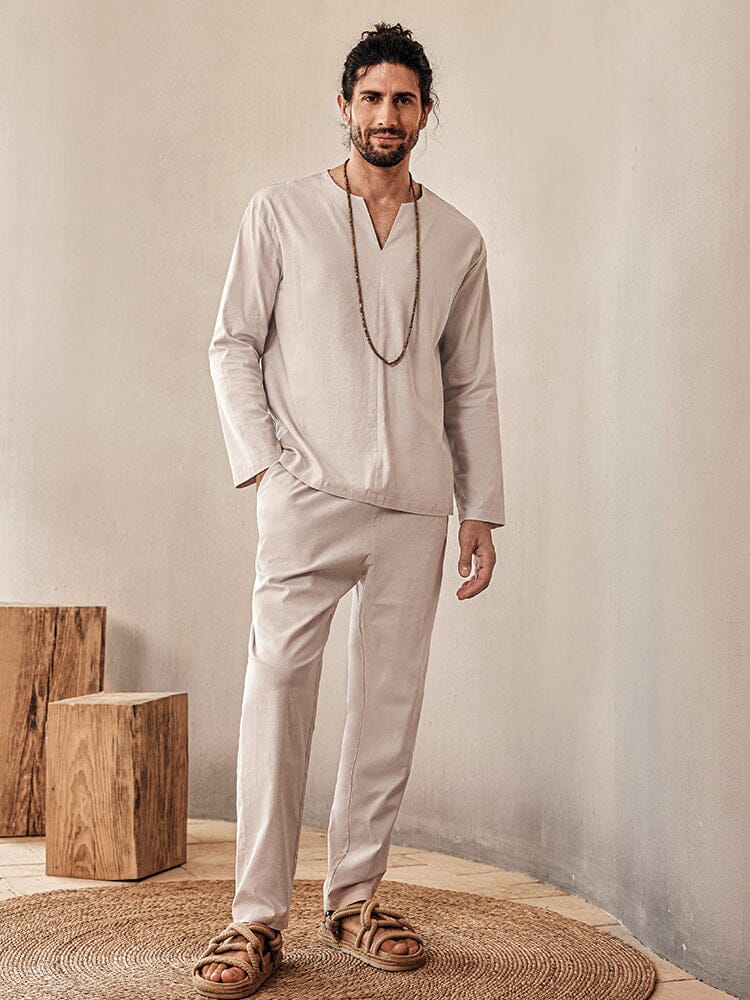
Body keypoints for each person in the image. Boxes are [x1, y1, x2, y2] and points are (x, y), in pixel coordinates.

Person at [194, 21, 505, 998]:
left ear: (426, 112)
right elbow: (232, 342)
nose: (386, 114)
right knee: (276, 697)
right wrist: (265, 464)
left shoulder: (458, 238)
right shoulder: (280, 213)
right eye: (371, 97)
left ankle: (356, 900)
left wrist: (479, 507)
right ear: (345, 106)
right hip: (307, 497)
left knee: (387, 708)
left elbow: (472, 382)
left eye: (404, 99)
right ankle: (256, 918)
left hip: (416, 506)